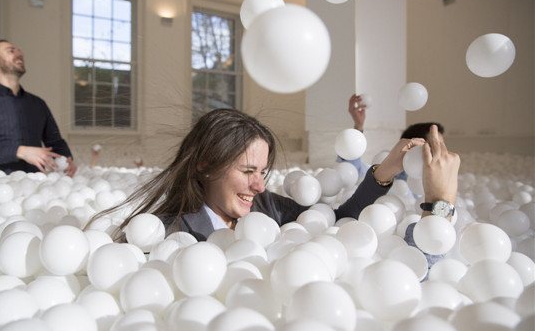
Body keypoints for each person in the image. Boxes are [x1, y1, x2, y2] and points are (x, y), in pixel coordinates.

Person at [87, 109, 460, 260]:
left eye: (262, 172)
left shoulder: (269, 208)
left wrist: (384, 172)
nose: (259, 185)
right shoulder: (167, 233)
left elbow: (338, 222)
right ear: (204, 165)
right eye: (248, 171)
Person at [0, 40, 76, 176]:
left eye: (19, 51)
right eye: (11, 51)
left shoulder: (38, 104)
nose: (20, 54)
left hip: (36, 183)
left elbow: (55, 141)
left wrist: (67, 159)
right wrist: (19, 151)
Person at [340, 93, 445, 180]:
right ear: (415, 147)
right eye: (437, 145)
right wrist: (358, 127)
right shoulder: (387, 176)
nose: (443, 152)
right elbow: (350, 173)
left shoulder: (442, 182)